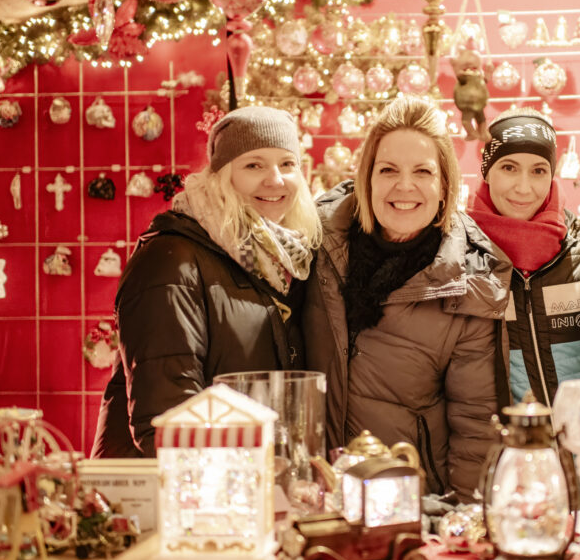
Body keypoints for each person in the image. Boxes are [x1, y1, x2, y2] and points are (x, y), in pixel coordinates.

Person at [303, 95, 510, 504]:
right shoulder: (313, 242)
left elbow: (474, 426)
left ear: (444, 185)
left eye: (422, 171)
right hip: (313, 497)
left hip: (407, 502)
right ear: (367, 178)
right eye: (388, 170)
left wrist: (466, 519)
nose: (404, 186)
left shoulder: (470, 281)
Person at [92, 106, 321, 458]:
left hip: (237, 478)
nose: (275, 179)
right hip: (165, 490)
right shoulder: (172, 261)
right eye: (254, 165)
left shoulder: (280, 259)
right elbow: (168, 421)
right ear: (221, 175)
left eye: (287, 164)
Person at [467, 108, 580, 410]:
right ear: (487, 172)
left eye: (538, 170)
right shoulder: (461, 260)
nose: (523, 188)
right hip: (507, 452)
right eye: (509, 167)